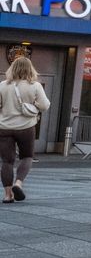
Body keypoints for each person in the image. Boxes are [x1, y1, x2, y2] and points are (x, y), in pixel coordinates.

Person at [1, 57, 51, 203]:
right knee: (27, 157)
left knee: (7, 161)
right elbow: (45, 106)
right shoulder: (35, 86)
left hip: (4, 127)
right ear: (30, 69)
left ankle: (7, 195)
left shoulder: (3, 85)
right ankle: (18, 183)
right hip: (26, 127)